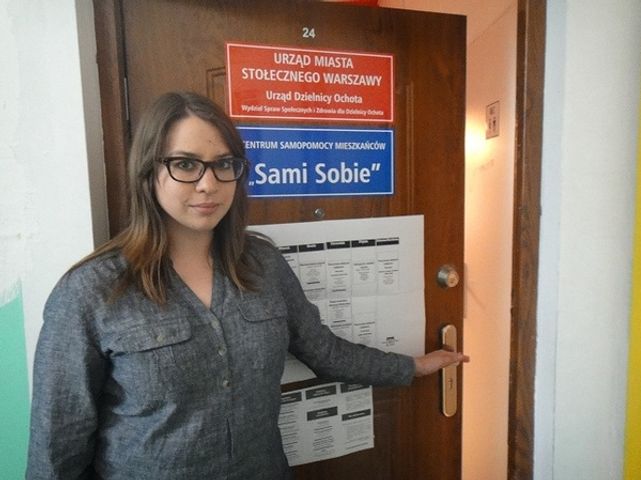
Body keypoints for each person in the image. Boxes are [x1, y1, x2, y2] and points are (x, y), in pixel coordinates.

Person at [26, 91, 469, 479]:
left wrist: (411, 367)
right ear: (148, 172)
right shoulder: (91, 291)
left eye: (224, 164)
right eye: (185, 164)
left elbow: (322, 350)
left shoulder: (262, 264)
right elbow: (58, 444)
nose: (208, 184)